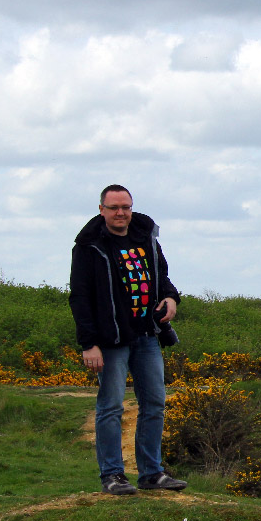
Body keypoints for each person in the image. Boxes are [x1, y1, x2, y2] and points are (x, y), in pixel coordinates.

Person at [69, 185, 187, 496]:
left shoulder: (145, 236)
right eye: (114, 208)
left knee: (155, 404)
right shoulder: (88, 245)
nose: (121, 213)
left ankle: (151, 473)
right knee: (110, 407)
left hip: (147, 335)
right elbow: (80, 298)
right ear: (101, 210)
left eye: (125, 207)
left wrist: (171, 298)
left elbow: (161, 275)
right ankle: (112, 475)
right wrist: (88, 343)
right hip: (111, 339)